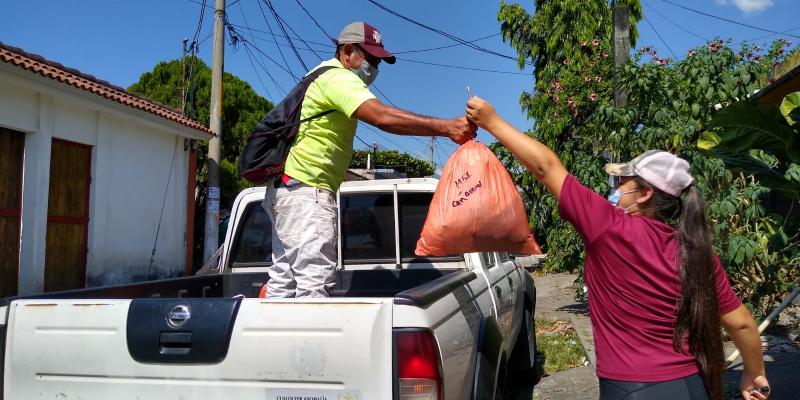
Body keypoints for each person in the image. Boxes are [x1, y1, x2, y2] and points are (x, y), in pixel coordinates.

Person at [465, 96, 769, 400]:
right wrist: (754, 374)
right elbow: (741, 323)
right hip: (694, 385)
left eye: (623, 182)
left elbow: (546, 167)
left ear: (646, 193)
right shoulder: (698, 252)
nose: (616, 189)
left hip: (633, 389)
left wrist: (492, 121)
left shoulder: (609, 228)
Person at [262, 22, 476, 298]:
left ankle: (272, 341)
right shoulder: (339, 77)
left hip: (287, 189)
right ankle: (309, 344)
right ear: (347, 51)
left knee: (284, 285)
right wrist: (447, 127)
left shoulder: (317, 74)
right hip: (306, 191)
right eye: (371, 58)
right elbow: (382, 117)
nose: (375, 67)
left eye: (379, 62)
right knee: (313, 289)